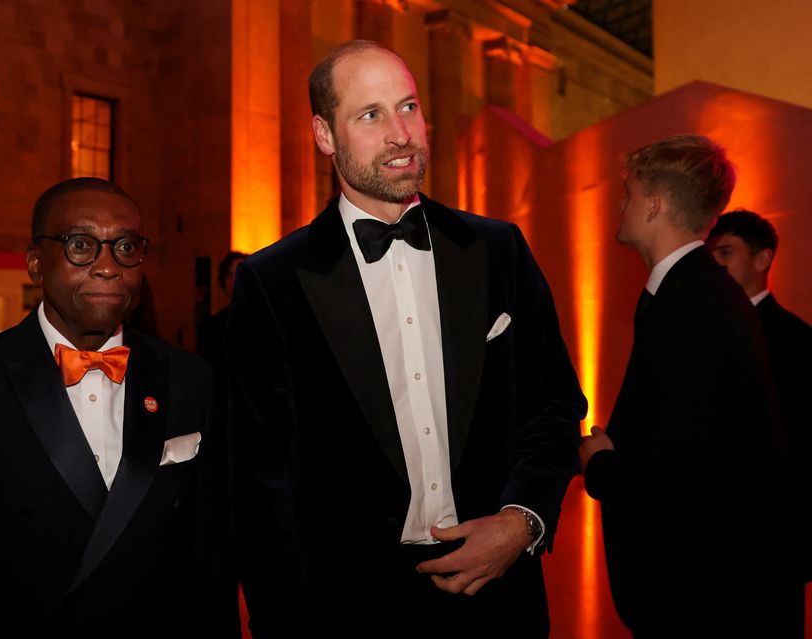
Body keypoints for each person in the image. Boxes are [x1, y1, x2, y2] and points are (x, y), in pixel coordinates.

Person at [227, 40, 586, 637]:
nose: (401, 133)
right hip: (348, 606)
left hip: (499, 597)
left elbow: (554, 405)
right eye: (370, 114)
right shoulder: (273, 281)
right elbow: (260, 484)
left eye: (409, 107)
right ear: (324, 134)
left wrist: (522, 521)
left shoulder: (499, 251)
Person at [0, 178, 238, 637]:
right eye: (81, 245)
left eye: (125, 246)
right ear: (35, 263)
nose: (107, 266)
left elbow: (209, 559)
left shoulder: (189, 380)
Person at [579, 136, 795, 636]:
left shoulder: (691, 304)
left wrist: (601, 465)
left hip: (704, 597)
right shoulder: (694, 291)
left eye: (627, 192)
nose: (621, 203)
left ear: (653, 204)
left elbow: (686, 473)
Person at [707, 210, 812, 607]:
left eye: (725, 253)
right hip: (718, 537)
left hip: (774, 539)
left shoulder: (795, 340)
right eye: (711, 255)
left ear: (763, 259)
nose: (715, 265)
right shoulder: (712, 330)